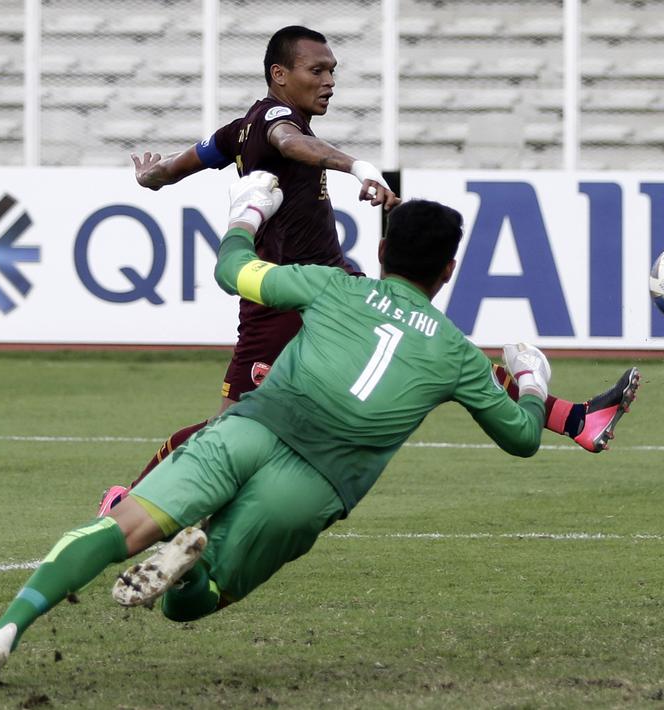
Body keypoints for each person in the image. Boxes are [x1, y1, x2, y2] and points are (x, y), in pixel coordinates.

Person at [0, 172, 640, 687]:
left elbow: (231, 271)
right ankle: (189, 568)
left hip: (253, 428)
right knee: (190, 607)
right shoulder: (456, 353)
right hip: (313, 487)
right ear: (448, 270)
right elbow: (520, 438)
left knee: (121, 529)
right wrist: (531, 381)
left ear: (382, 253)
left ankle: (5, 630)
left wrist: (247, 210)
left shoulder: (333, 284)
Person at [100, 25, 617, 516]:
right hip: (282, 299)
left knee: (433, 345)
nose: (329, 81)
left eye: (333, 71)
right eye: (317, 71)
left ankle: (574, 418)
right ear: (280, 75)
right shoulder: (278, 122)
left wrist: (153, 175)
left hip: (334, 288)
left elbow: (180, 164)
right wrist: (357, 166)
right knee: (230, 425)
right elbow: (289, 142)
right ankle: (132, 504)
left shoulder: (239, 130)